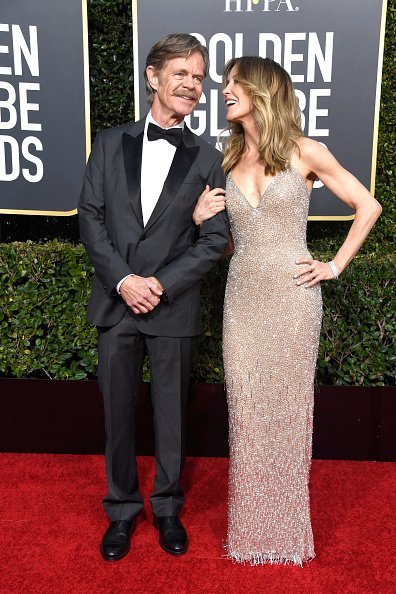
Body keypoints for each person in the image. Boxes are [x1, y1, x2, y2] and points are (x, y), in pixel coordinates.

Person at [193, 56, 381, 565]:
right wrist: (201, 221)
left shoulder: (306, 152)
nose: (224, 90)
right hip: (243, 300)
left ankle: (286, 535)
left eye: (233, 83)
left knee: (289, 415)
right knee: (247, 414)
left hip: (293, 301)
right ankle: (251, 534)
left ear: (262, 89)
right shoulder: (226, 162)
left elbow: (369, 206)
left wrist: (334, 266)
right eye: (225, 84)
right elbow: (232, 245)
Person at [78, 33, 228, 561]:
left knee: (172, 417)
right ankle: (121, 510)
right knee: (117, 417)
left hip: (172, 306)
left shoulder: (209, 159)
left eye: (200, 77)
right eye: (183, 73)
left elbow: (214, 240)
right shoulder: (108, 142)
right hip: (117, 303)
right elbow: (91, 219)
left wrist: (159, 284)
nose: (192, 85)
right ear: (153, 76)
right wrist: (125, 280)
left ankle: (166, 508)